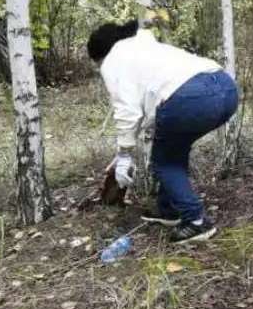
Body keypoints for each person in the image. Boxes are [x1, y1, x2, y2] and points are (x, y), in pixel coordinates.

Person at [88, 20, 237, 243]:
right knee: (173, 149)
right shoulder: (144, 48)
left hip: (191, 98)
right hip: (226, 89)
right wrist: (122, 153)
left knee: (164, 162)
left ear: (101, 54)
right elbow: (148, 107)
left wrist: (126, 155)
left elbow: (128, 111)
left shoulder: (113, 60)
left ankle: (196, 222)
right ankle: (169, 211)